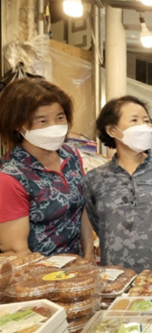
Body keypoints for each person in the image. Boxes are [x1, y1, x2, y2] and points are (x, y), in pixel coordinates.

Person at [83, 95, 152, 273]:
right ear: (112, 130)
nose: (144, 126)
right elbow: (98, 223)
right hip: (116, 275)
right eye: (134, 120)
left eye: (146, 121)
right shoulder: (94, 178)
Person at [0, 78, 94, 259]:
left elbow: (81, 207)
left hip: (77, 269)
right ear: (18, 125)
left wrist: (88, 251)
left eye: (60, 118)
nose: (55, 127)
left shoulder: (71, 155)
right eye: (42, 121)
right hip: (38, 277)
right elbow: (16, 251)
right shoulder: (10, 177)